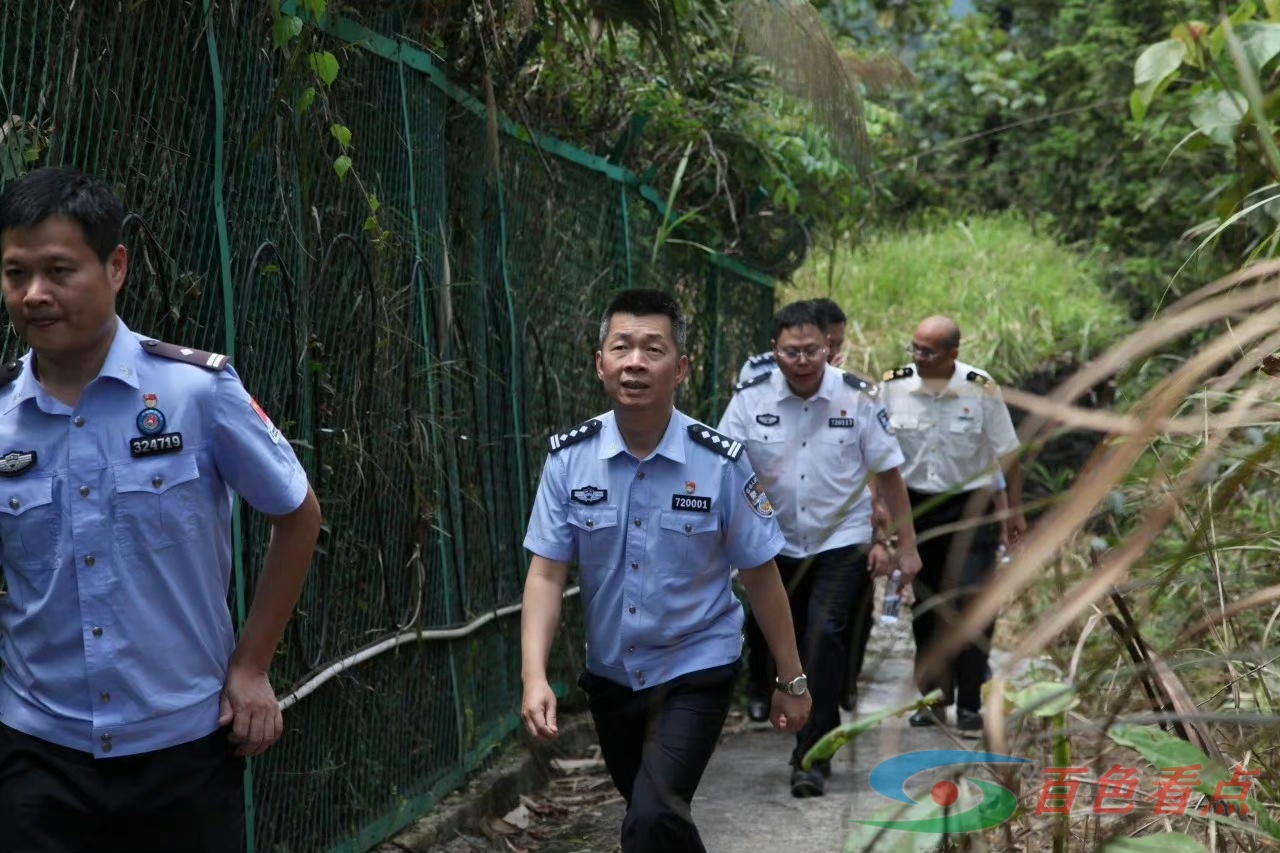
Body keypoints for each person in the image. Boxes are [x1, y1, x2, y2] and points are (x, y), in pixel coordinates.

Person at [0, 167, 322, 852]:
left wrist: (253, 663)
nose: (34, 294)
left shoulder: (194, 393)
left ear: (115, 266)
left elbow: (297, 513)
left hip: (183, 752)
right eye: (15, 273)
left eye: (58, 269)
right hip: (38, 753)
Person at [520, 288, 811, 853]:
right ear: (599, 362)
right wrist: (535, 676)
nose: (634, 362)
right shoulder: (568, 458)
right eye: (621, 347)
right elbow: (547, 574)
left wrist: (791, 678)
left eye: (652, 349)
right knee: (657, 822)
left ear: (680, 368)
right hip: (612, 675)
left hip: (696, 667)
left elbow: (760, 575)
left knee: (651, 818)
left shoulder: (720, 461)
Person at [718, 300, 921, 797]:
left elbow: (889, 473)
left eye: (812, 350)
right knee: (776, 640)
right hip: (771, 541)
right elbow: (722, 468)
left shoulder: (858, 397)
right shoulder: (749, 399)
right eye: (791, 352)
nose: (803, 360)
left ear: (828, 349)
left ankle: (813, 753)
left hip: (840, 539)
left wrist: (906, 545)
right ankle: (778, 698)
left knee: (824, 637)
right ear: (775, 351)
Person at [878, 315, 1024, 734]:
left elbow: (1009, 455)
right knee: (928, 606)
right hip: (917, 507)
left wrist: (1014, 511)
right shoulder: (892, 386)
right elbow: (878, 455)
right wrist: (881, 509)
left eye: (928, 351)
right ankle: (933, 697)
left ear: (953, 354)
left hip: (972, 509)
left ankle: (971, 701)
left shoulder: (981, 388)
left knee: (973, 606)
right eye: (915, 348)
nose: (919, 357)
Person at [736, 296, 848, 384]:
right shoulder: (759, 371)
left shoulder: (841, 381)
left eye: (839, 344)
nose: (835, 352)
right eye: (830, 344)